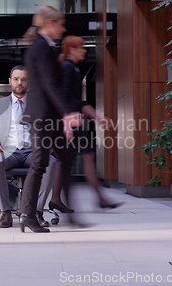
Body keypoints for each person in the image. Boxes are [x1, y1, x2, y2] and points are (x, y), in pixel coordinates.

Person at [19, 6, 81, 233]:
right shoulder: (41, 47)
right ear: (49, 22)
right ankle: (27, 214)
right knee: (39, 165)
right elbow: (49, 84)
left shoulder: (44, 46)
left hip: (49, 117)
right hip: (43, 117)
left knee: (66, 156)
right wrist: (67, 113)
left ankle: (69, 211)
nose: (63, 28)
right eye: (61, 24)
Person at [49, 36, 124, 212]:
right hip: (69, 123)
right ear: (72, 49)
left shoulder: (72, 69)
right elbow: (60, 98)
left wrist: (99, 117)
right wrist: (66, 122)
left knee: (74, 158)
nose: (85, 50)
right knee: (78, 158)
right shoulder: (67, 68)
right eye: (82, 47)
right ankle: (95, 199)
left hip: (72, 121)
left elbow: (78, 102)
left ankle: (57, 199)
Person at [0, 65, 56, 228]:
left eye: (23, 79)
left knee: (52, 162)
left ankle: (36, 211)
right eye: (16, 79)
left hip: (32, 152)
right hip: (7, 153)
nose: (19, 82)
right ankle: (6, 212)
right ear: (10, 81)